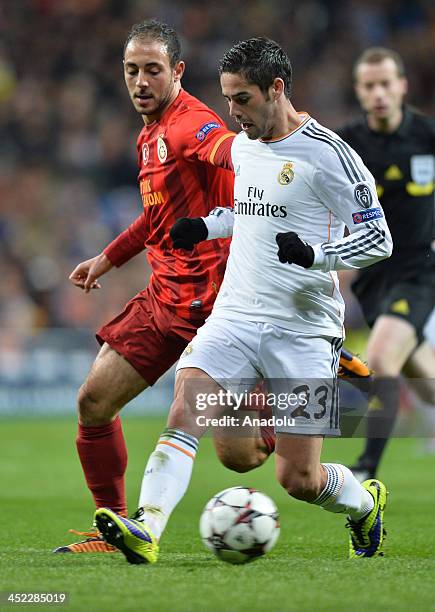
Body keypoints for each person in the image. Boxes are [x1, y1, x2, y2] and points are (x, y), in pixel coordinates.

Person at [55, 20, 370, 554]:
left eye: (152, 70)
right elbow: (157, 217)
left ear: (177, 71)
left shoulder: (192, 125)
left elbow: (237, 152)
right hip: (166, 299)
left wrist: (287, 153)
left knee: (245, 459)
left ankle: (300, 384)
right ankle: (124, 530)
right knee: (94, 402)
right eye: (131, 70)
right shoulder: (149, 132)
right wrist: (108, 258)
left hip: (222, 299)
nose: (140, 82)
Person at [336, 48, 435, 481]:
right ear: (359, 92)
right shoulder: (345, 145)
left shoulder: (428, 137)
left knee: (380, 358)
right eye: (369, 85)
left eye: (385, 83)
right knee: (424, 380)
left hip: (420, 273)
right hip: (373, 279)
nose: (378, 93)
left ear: (402, 85)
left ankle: (364, 471)